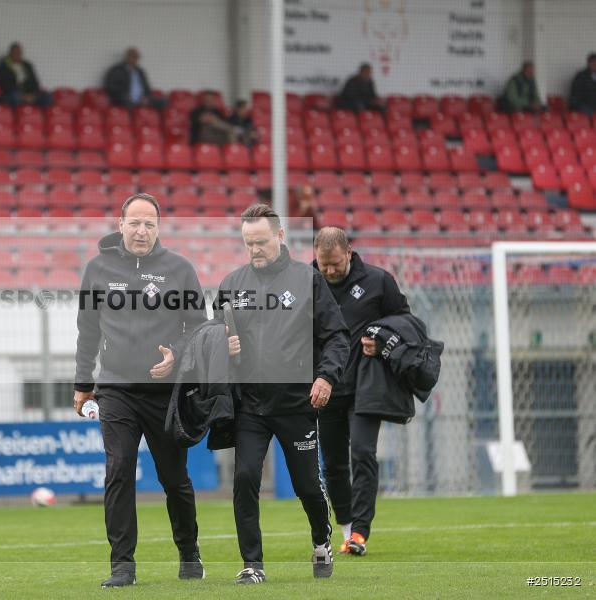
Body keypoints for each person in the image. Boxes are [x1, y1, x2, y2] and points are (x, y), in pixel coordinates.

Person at [74, 193, 207, 588]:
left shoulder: (179, 269)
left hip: (164, 394)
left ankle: (189, 553)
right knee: (118, 472)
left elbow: (199, 327)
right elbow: (88, 330)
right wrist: (83, 384)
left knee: (174, 479)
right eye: (134, 222)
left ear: (158, 228)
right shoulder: (97, 269)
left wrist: (177, 356)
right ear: (120, 224)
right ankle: (123, 567)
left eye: (149, 224)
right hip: (115, 389)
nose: (141, 230)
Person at [217, 203, 350, 585]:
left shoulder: (308, 281)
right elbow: (212, 336)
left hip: (297, 404)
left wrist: (326, 377)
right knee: (244, 477)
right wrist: (222, 347)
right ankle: (252, 564)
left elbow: (336, 336)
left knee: (307, 486)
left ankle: (321, 541)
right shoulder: (230, 284)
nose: (254, 249)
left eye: (260, 241)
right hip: (250, 407)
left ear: (279, 236)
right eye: (248, 243)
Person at [312, 227, 410, 557]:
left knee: (363, 453)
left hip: (366, 387)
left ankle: (360, 532)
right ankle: (346, 529)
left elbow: (404, 321)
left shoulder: (379, 281)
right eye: (323, 265)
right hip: (325, 388)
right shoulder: (306, 282)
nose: (329, 271)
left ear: (349, 254)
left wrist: (382, 338)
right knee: (333, 464)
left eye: (335, 264)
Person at [0, 42, 51, 107]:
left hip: (29, 92)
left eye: (19, 53)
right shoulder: (4, 66)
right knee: (13, 98)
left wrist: (32, 94)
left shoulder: (27, 65)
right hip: (15, 93)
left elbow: (34, 81)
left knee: (48, 97)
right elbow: (5, 84)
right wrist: (22, 96)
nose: (17, 54)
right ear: (10, 54)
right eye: (15, 53)